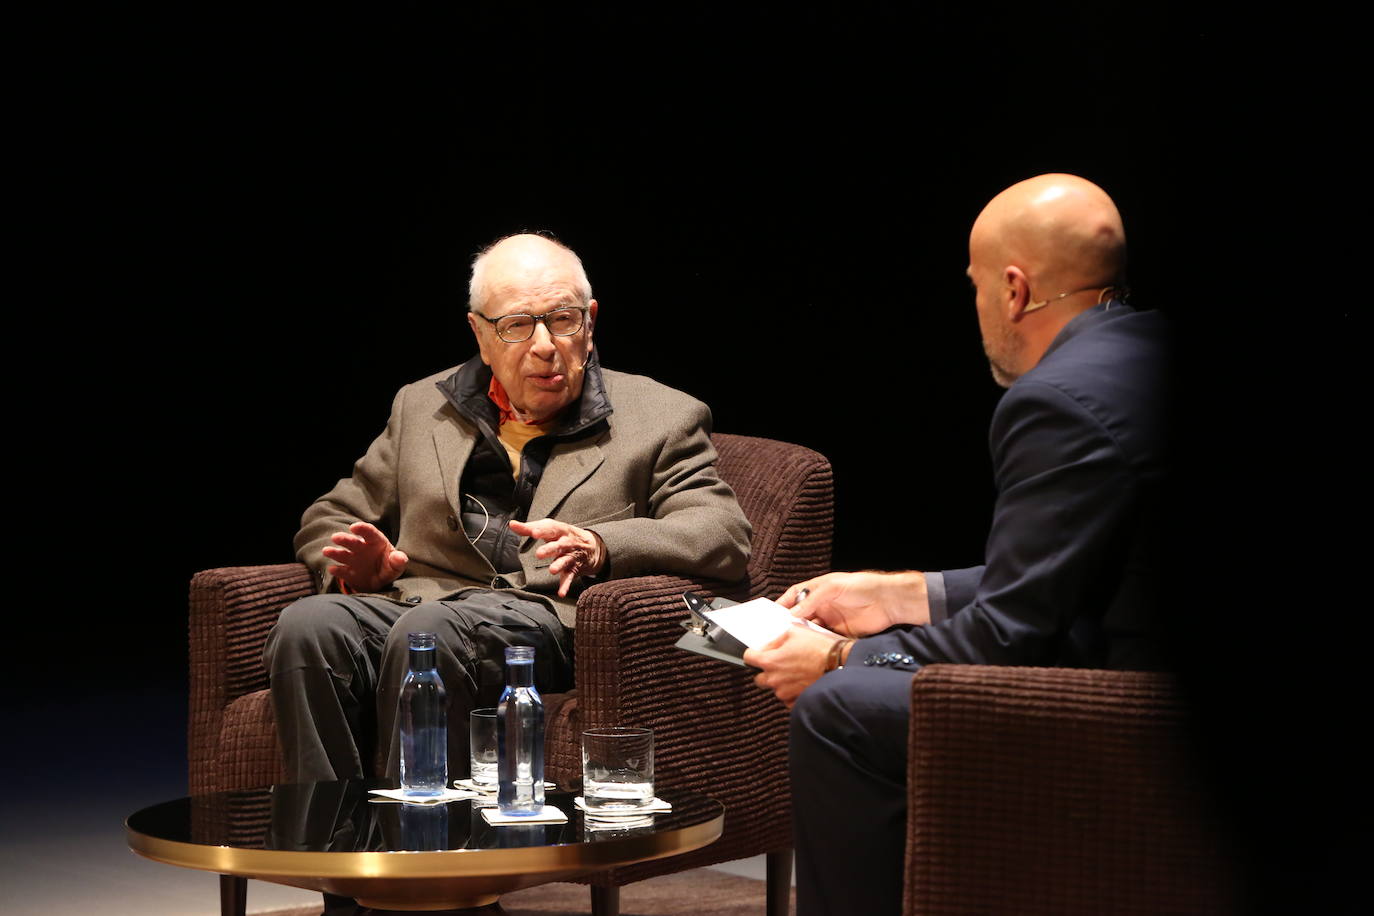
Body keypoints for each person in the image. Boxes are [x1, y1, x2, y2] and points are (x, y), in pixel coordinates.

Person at [743, 174, 1169, 915]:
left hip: (1137, 718)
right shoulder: (1146, 351)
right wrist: (902, 593)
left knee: (839, 711)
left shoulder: (1056, 400)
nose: (975, 309)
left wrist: (839, 657)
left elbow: (1007, 637)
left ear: (1013, 289)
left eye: (973, 287)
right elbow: (1075, 573)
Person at [265, 233, 751, 785]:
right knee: (308, 625)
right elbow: (330, 514)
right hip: (418, 605)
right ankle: (334, 838)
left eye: (563, 319)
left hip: (545, 623)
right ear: (479, 333)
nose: (545, 344)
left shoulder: (661, 416)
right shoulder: (421, 407)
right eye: (517, 325)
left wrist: (601, 545)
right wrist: (353, 568)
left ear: (590, 323)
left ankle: (433, 850)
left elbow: (722, 533)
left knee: (427, 633)